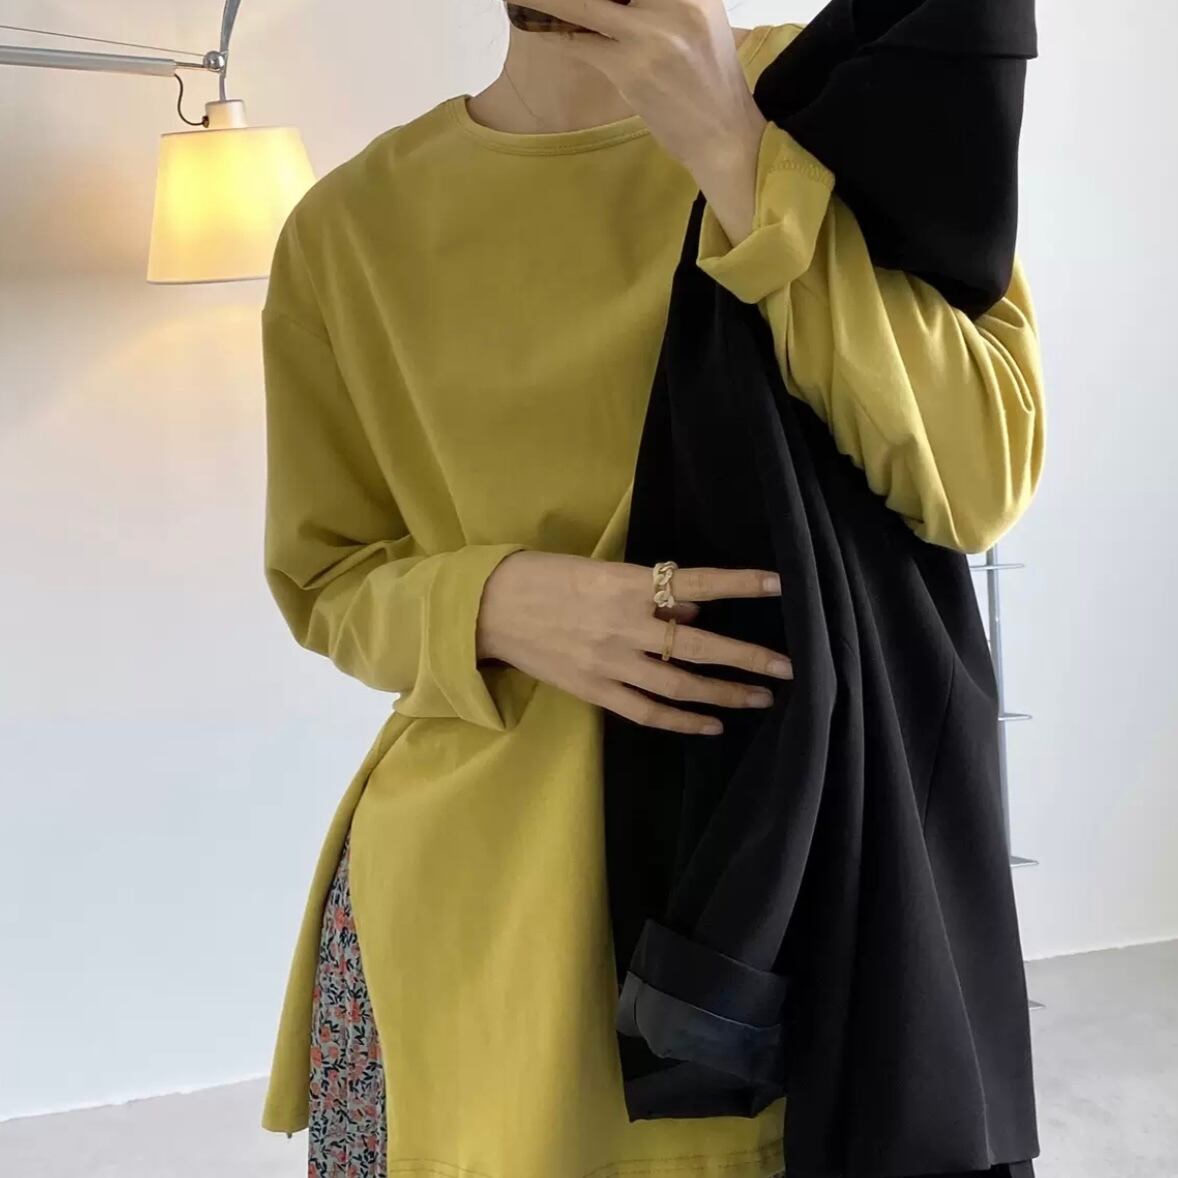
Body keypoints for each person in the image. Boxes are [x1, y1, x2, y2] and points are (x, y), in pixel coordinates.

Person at [257, 3, 1045, 1177]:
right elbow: (327, 575)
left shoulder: (830, 98)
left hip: (785, 891)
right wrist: (495, 600)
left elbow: (977, 476)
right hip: (474, 912)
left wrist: (736, 154)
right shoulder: (349, 227)